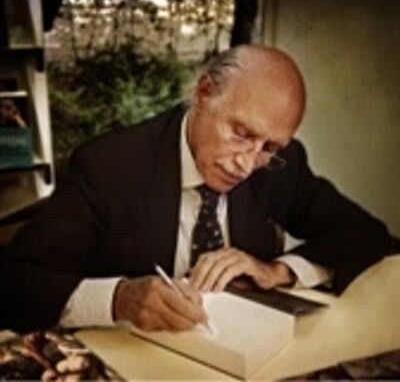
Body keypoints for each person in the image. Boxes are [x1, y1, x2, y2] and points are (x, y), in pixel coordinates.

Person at [0, 45, 391, 333]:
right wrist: (119, 298)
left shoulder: (279, 165)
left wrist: (278, 270)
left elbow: (365, 234)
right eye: (241, 133)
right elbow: (15, 284)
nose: (246, 165)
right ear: (204, 93)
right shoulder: (107, 166)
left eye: (269, 148)